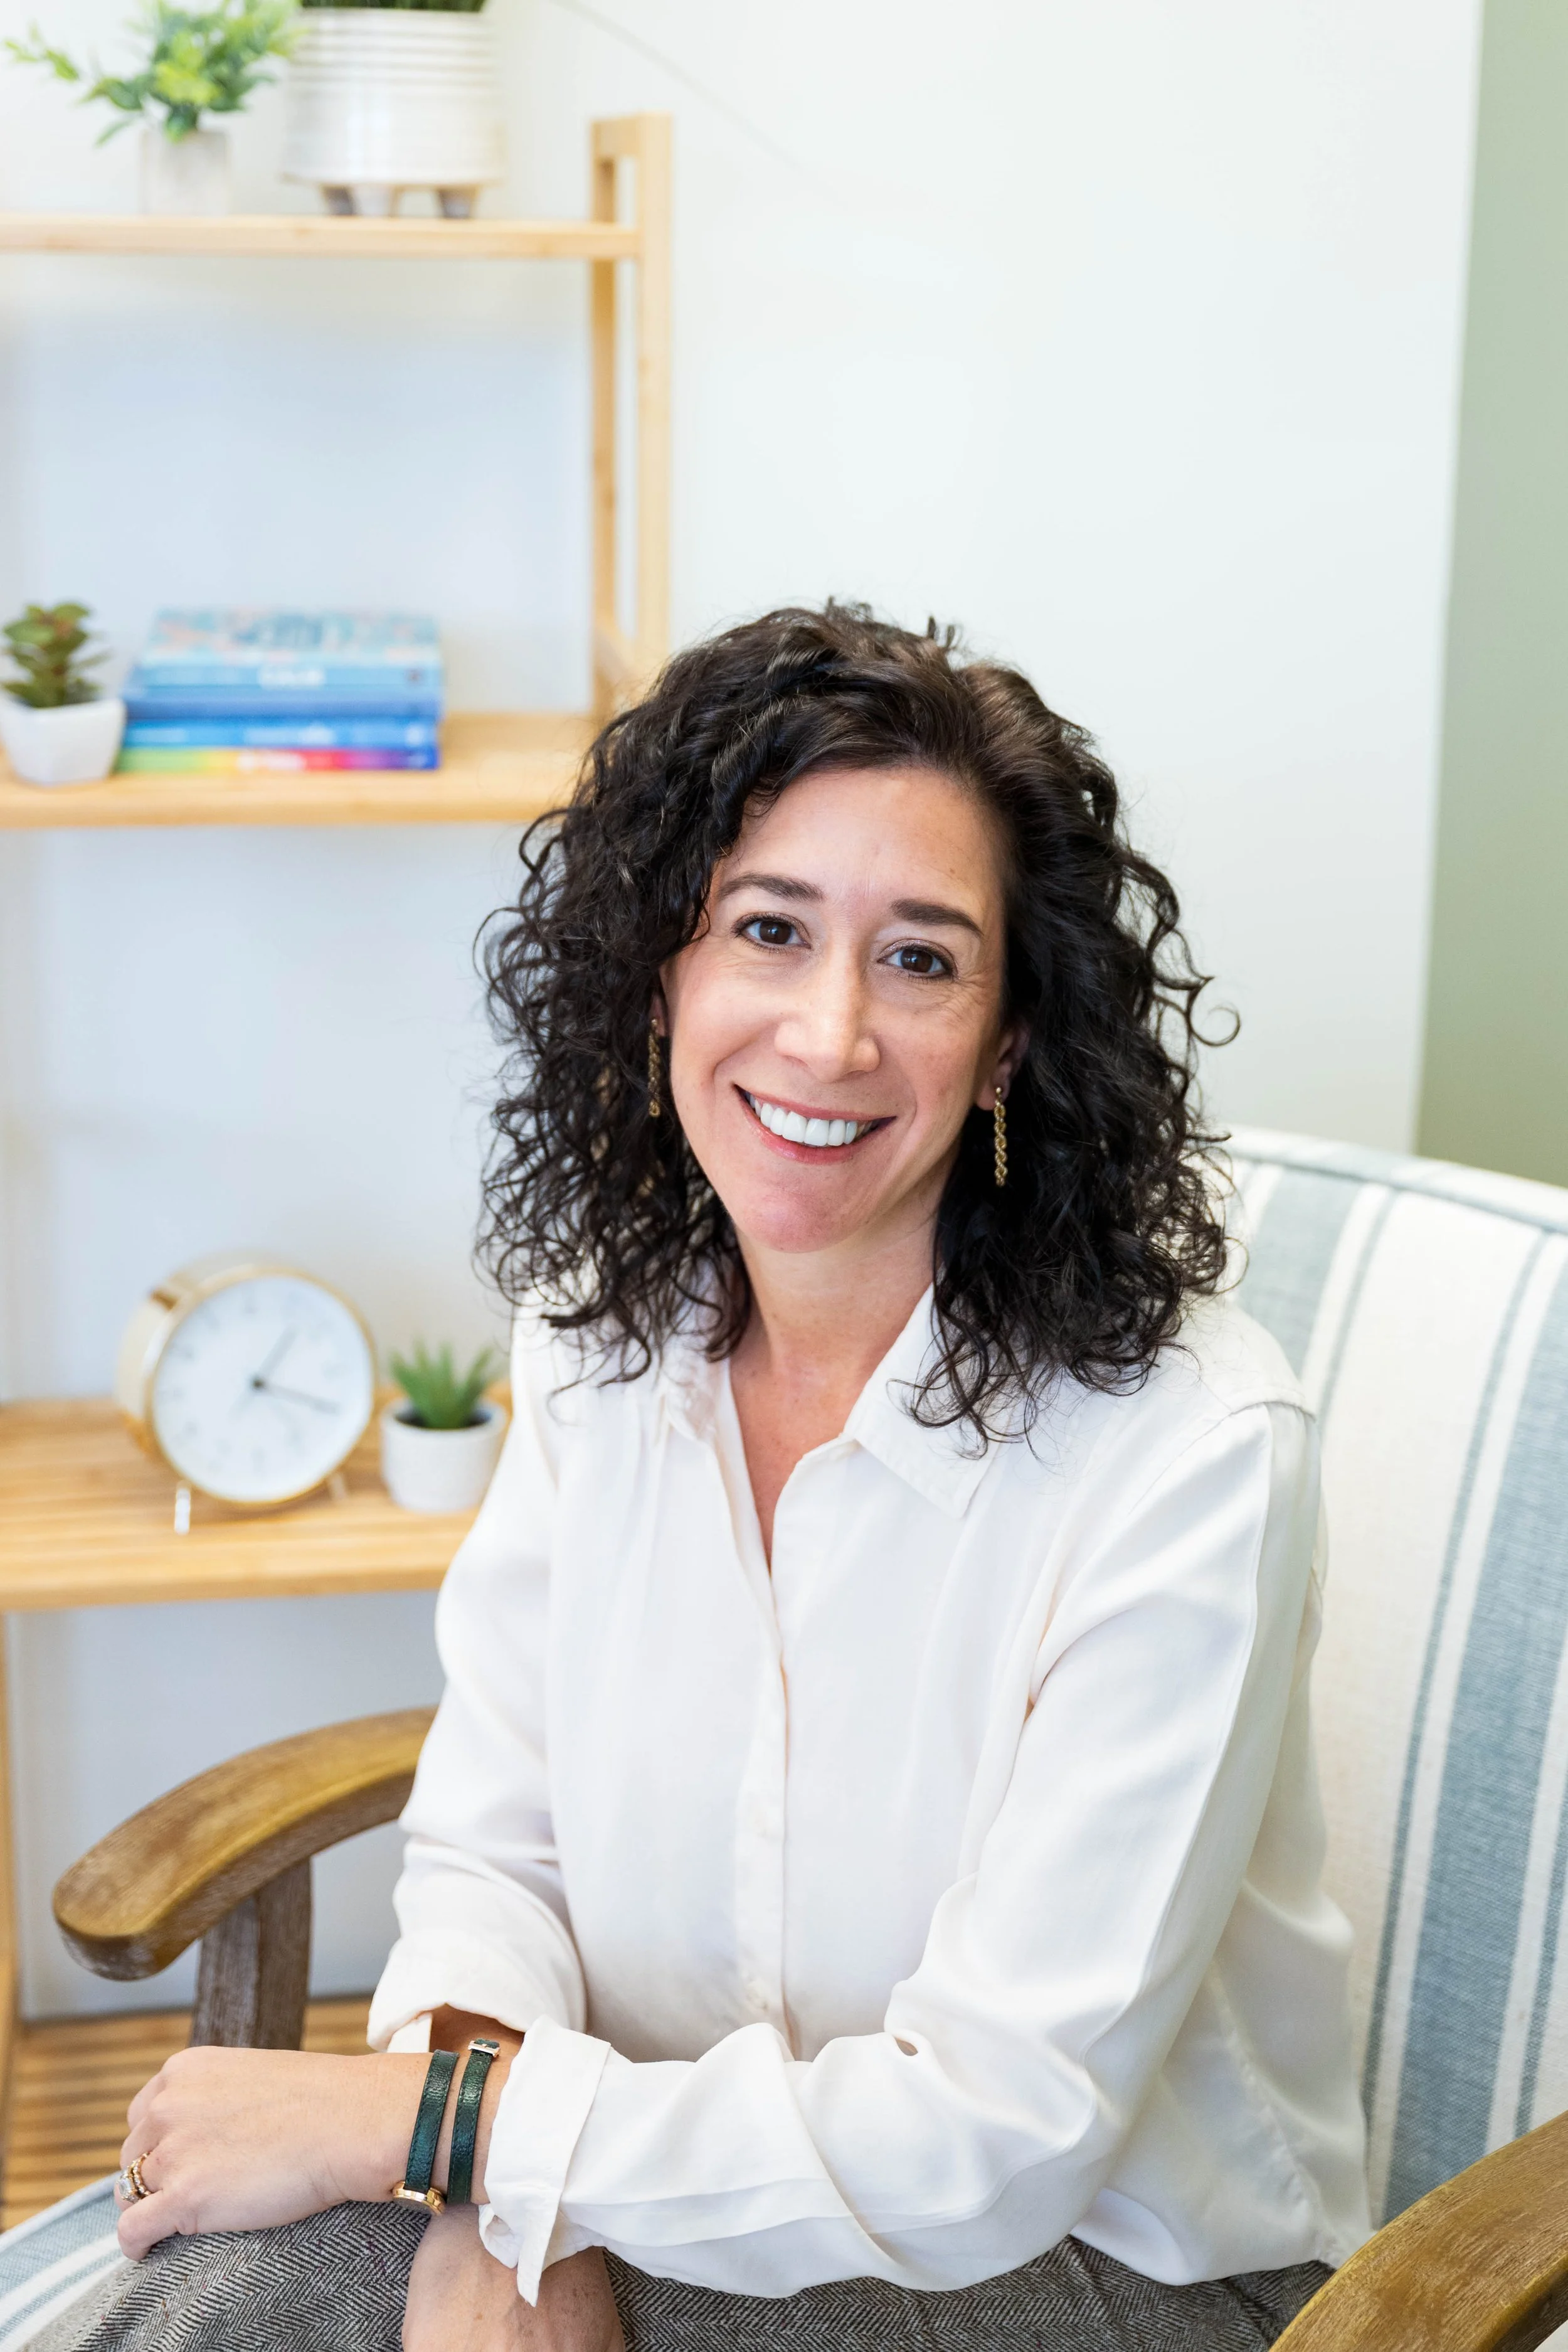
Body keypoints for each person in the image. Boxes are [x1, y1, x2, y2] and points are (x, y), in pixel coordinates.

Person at [95, 605, 1369, 2352]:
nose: (830, 1031)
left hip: (1128, 2272)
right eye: (767, 929)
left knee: (270, 2283)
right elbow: (494, 1855)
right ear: (663, 976)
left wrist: (449, 2132)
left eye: (920, 959)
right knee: (274, 2278)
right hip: (655, 2165)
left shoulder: (1183, 1451)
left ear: (1009, 1041)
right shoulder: (597, 1343)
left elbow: (989, 2137)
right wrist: (497, 2210)